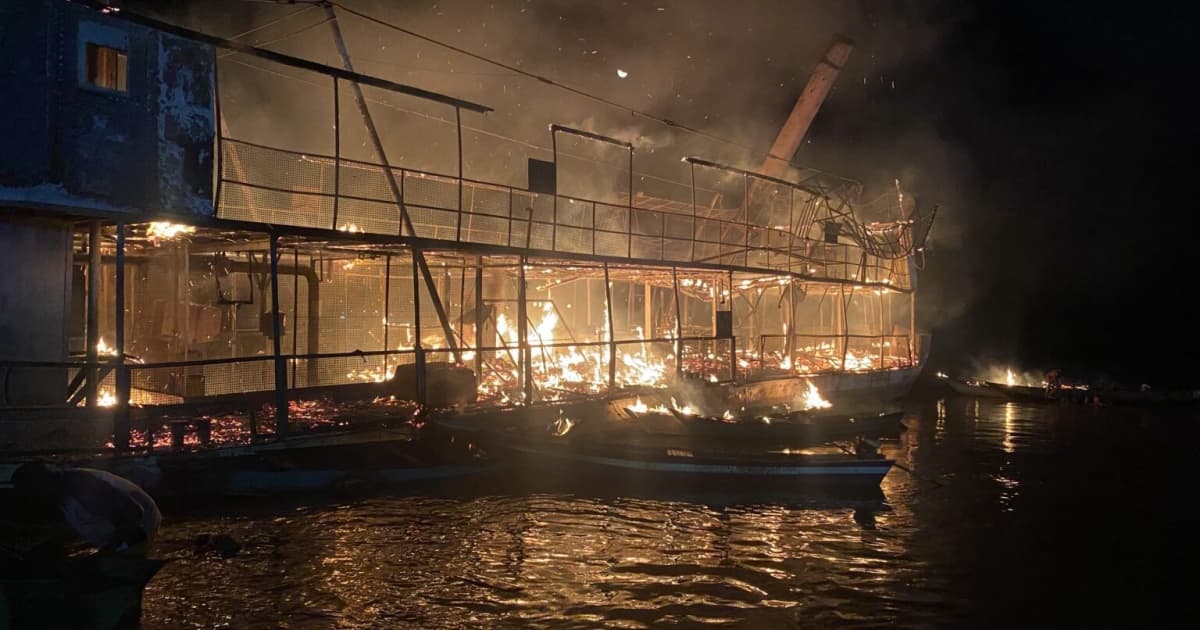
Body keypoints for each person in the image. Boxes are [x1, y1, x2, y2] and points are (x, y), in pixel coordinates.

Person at [9, 462, 161, 556]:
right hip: (124, 525)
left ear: (40, 485)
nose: (33, 499)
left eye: (31, 492)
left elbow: (132, 514)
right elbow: (79, 522)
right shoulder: (61, 490)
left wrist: (108, 553)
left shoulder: (82, 487)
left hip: (140, 526)